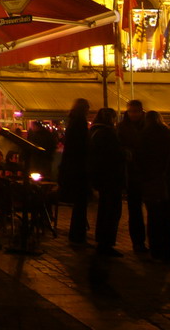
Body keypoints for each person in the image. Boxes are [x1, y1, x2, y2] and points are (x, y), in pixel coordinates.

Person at [136, 110, 170, 262]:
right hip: (168, 181)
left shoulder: (144, 136)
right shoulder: (169, 135)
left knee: (154, 217)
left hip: (151, 180)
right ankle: (169, 252)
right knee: (167, 218)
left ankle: (156, 251)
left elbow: (140, 160)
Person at [89, 107, 125, 257]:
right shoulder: (107, 133)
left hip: (101, 177)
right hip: (111, 177)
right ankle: (106, 243)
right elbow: (113, 155)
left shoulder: (93, 132)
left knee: (104, 210)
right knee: (111, 211)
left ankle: (102, 241)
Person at [57, 98, 91, 244]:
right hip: (79, 168)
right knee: (81, 203)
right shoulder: (80, 124)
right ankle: (78, 234)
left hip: (72, 167)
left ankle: (77, 233)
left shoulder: (72, 123)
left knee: (79, 203)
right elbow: (82, 147)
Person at [117, 98, 147, 253]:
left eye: (136, 111)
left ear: (141, 112)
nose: (133, 114)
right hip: (132, 174)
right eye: (131, 111)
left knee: (148, 209)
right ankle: (138, 242)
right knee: (135, 210)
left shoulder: (148, 127)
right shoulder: (122, 128)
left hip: (147, 173)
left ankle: (147, 241)